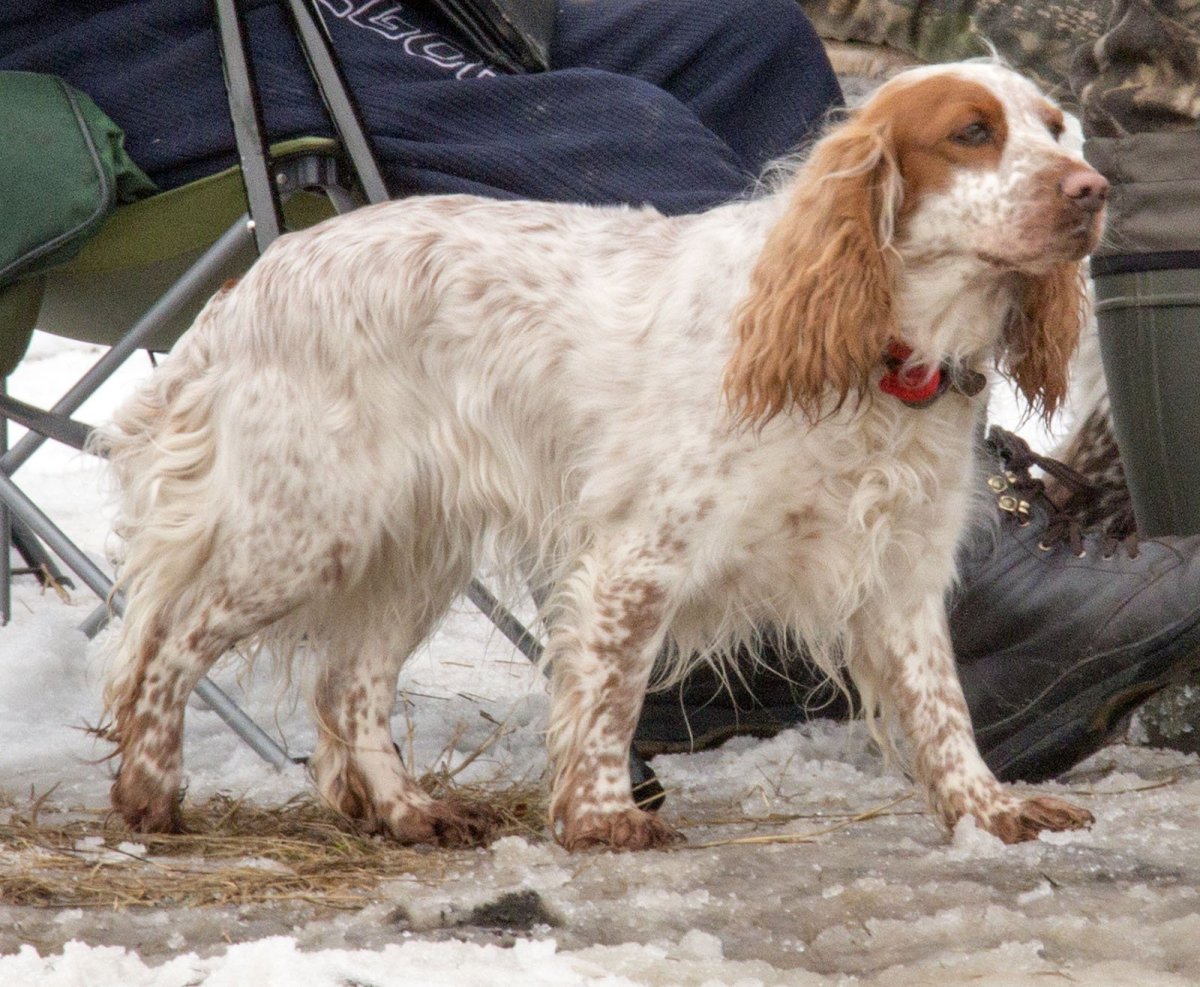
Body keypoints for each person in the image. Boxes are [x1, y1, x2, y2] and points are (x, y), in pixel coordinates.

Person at [3, 0, 1199, 784]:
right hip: (95, 39)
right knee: (609, 125)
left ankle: (809, 548)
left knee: (742, 38)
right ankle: (947, 596)